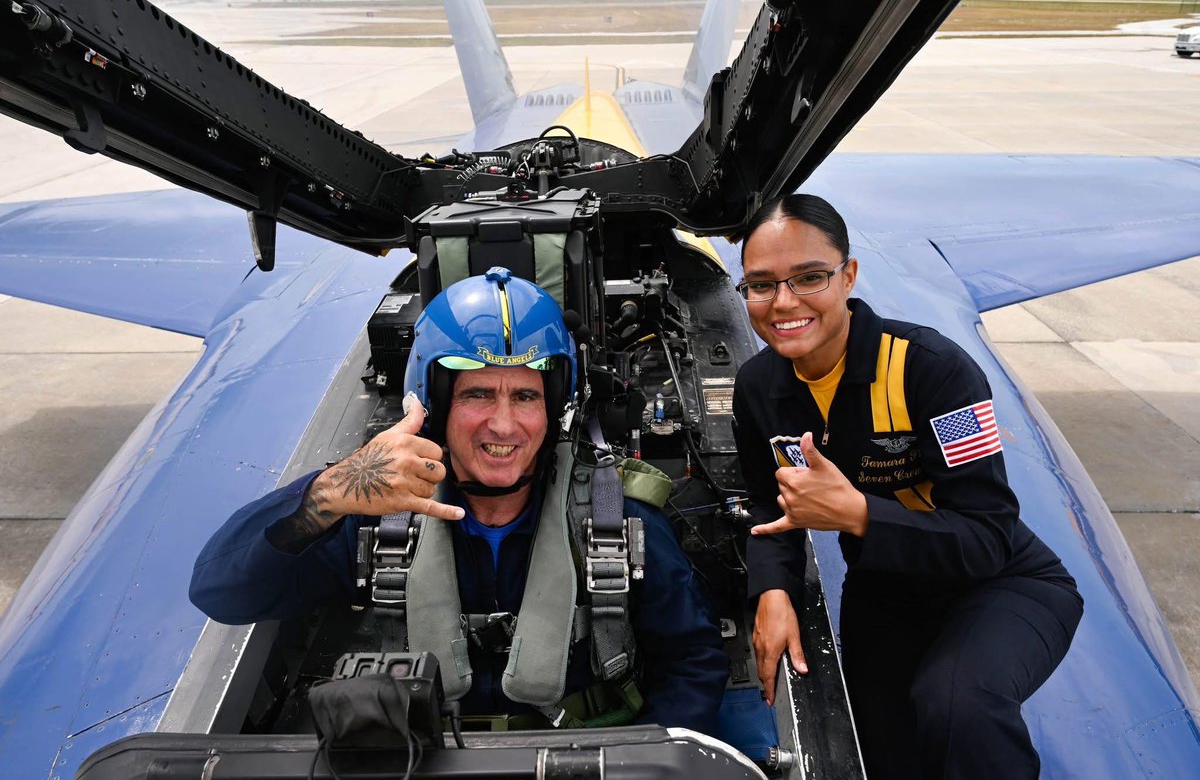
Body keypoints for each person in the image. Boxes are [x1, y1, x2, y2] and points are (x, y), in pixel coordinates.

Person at [191, 268, 728, 734]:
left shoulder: (614, 517)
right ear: (437, 404)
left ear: (554, 409)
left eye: (525, 395)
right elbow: (221, 593)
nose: (504, 424)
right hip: (419, 757)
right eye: (477, 394)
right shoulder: (376, 520)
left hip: (581, 754)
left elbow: (693, 663)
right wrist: (328, 493)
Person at [731, 194, 1083, 779]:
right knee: (875, 745)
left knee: (957, 704)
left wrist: (860, 515)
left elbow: (988, 534)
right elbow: (771, 508)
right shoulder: (758, 385)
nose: (784, 302)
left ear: (849, 276)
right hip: (887, 589)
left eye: (810, 277)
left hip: (1000, 581)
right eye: (761, 285)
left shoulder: (937, 371)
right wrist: (772, 591)